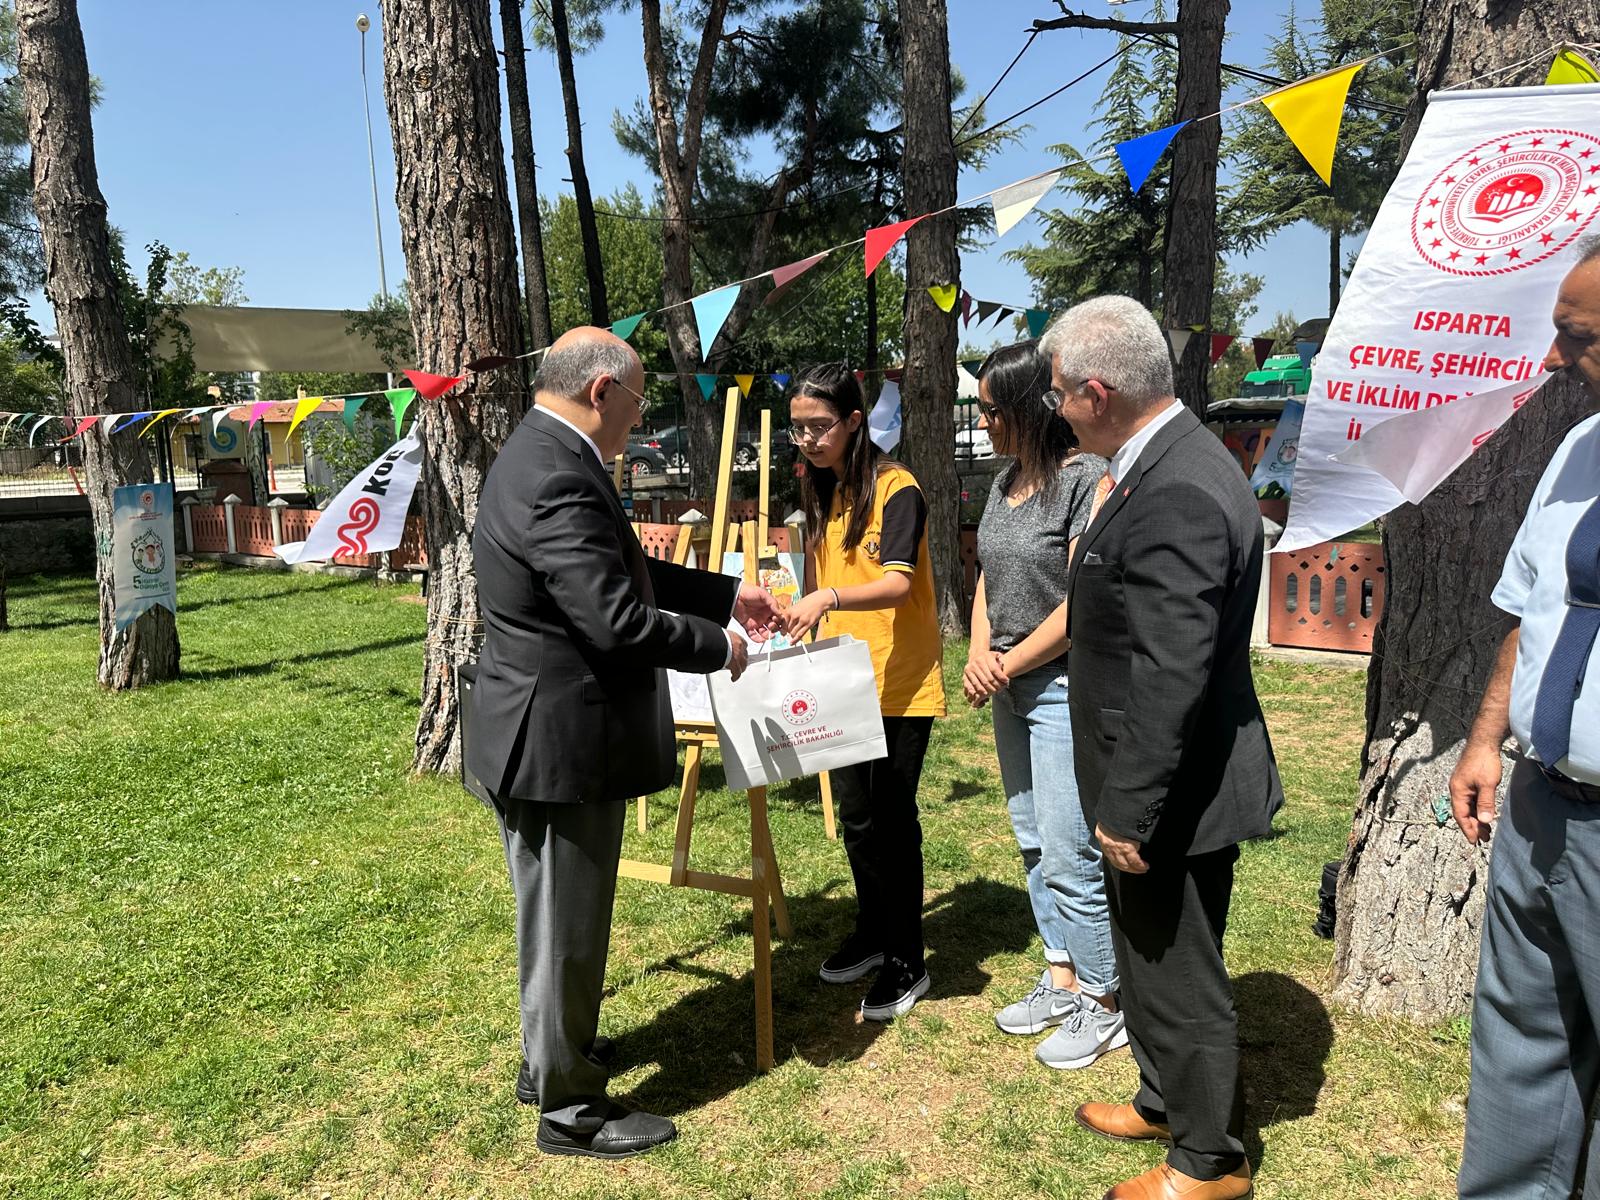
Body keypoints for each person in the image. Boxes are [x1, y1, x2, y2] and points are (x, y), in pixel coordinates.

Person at [468, 327, 778, 1160]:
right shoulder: (557, 475)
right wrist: (720, 647)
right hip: (561, 740)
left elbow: (616, 569)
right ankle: (569, 1109)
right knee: (566, 924)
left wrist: (724, 595)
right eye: (638, 406)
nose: (638, 426)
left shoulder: (539, 454)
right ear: (602, 390)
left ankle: (551, 1058)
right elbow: (614, 618)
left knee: (552, 917)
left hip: (538, 728)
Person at [1044, 297, 1282, 1200]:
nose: (1057, 407)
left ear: (1097, 392)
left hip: (1169, 784)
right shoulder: (1165, 461)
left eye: (1062, 392)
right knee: (1149, 955)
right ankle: (1163, 1096)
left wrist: (1129, 805)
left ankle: (1209, 1163)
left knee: (1178, 969)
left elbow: (1170, 668)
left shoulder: (1175, 485)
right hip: (1163, 772)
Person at [1449, 236, 1600, 1200]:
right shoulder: (1580, 446)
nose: (1551, 360)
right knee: (1520, 1046)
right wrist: (1485, 736)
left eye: (1575, 337)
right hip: (1542, 806)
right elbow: (1532, 604)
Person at [961, 340, 1123, 1071]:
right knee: (1031, 837)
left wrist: (1008, 664)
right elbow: (986, 578)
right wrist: (976, 652)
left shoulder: (1084, 479)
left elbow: (1080, 600)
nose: (985, 421)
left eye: (992, 410)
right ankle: (1061, 975)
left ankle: (1105, 997)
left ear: (1029, 408)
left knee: (1069, 848)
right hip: (1008, 680)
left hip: (1058, 684)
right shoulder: (1002, 483)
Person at [778, 363, 947, 1021]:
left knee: (894, 822)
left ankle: (909, 958)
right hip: (842, 677)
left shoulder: (897, 487)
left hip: (899, 683)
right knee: (858, 818)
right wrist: (800, 612)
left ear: (853, 422)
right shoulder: (822, 492)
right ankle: (873, 931)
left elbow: (899, 584)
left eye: (820, 427)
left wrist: (829, 595)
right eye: (798, 429)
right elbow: (819, 580)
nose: (809, 440)